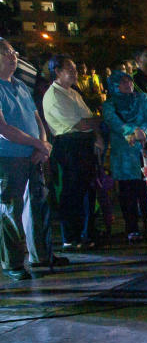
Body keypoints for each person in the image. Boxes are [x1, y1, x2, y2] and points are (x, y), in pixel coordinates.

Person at [0, 38, 64, 280]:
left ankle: (41, 254)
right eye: (5, 53)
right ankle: (13, 263)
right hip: (7, 158)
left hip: (33, 156)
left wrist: (43, 143)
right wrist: (38, 143)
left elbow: (37, 118)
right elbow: (3, 129)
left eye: (13, 52)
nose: (12, 56)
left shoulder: (20, 85)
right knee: (10, 210)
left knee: (37, 206)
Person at [42, 54, 104, 249]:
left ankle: (86, 233)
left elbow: (89, 120)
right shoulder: (53, 95)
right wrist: (99, 121)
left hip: (83, 144)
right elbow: (81, 122)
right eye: (70, 69)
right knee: (72, 191)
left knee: (87, 189)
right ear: (58, 72)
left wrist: (97, 133)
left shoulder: (73, 92)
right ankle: (70, 236)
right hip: (68, 145)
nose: (75, 73)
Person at [102, 70, 147, 242]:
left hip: (142, 150)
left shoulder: (143, 99)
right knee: (127, 192)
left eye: (129, 81)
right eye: (123, 82)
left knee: (145, 190)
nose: (128, 85)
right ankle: (132, 228)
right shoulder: (110, 105)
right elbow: (113, 122)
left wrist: (142, 133)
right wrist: (133, 131)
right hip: (124, 154)